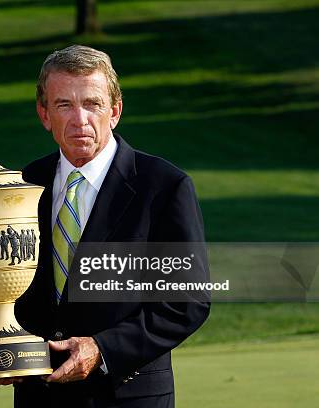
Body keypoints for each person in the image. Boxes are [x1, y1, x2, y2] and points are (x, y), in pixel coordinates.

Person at [14, 45, 210, 407]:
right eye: (63, 105)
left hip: (126, 396)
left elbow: (186, 302)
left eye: (92, 104)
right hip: (37, 397)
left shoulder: (164, 186)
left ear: (115, 111)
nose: (80, 119)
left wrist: (102, 349)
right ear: (44, 114)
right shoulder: (23, 185)